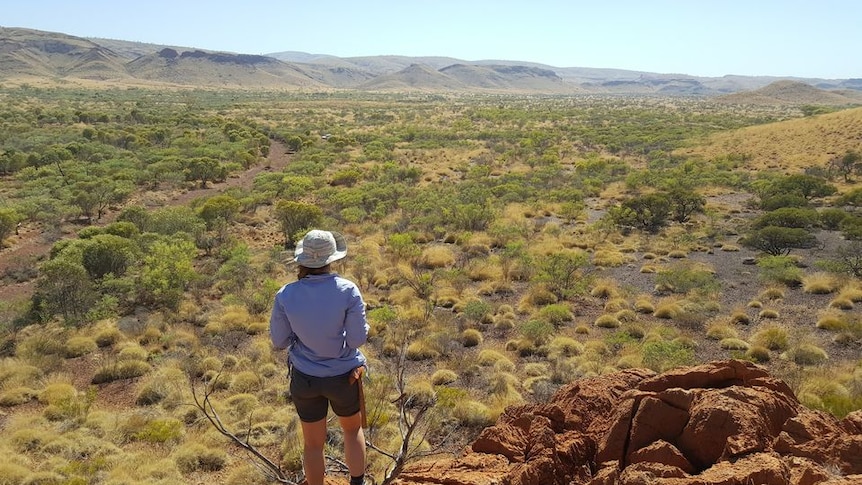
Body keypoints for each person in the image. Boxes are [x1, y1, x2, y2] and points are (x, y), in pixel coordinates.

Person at [270, 229, 369, 485]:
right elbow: (357, 339)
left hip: (305, 379)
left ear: (302, 260)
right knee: (352, 430)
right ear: (331, 259)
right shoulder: (348, 290)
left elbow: (279, 341)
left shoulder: (285, 295)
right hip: (344, 376)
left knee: (313, 444)